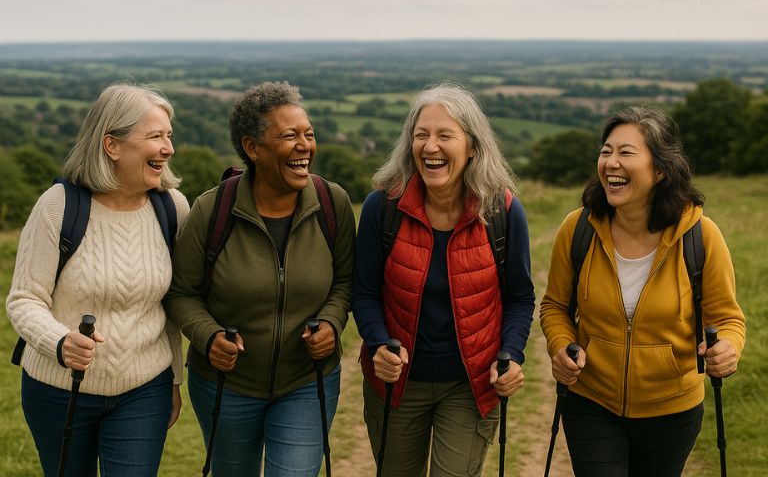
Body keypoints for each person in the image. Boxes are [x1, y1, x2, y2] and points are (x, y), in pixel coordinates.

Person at [539, 106, 747, 476]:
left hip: (673, 409)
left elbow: (728, 318)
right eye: (606, 151)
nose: (611, 163)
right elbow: (554, 305)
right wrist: (560, 346)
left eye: (626, 153)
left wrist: (728, 348)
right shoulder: (578, 228)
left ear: (661, 169)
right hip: (591, 402)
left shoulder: (700, 236)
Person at [163, 81, 355, 476]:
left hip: (307, 381)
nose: (305, 145)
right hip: (225, 386)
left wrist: (333, 325)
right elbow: (182, 293)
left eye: (309, 134)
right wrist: (209, 336)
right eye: (289, 136)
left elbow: (346, 281)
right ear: (252, 148)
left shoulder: (331, 203)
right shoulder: (212, 209)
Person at [6, 83, 190, 476]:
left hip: (145, 390)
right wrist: (59, 342)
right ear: (112, 145)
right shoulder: (59, 206)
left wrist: (174, 378)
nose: (168, 148)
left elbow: (173, 303)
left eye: (168, 136)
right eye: (155, 136)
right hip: (59, 390)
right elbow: (23, 299)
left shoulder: (173, 208)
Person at [352, 83, 535, 476]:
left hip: (469, 386)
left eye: (444, 135)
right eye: (421, 135)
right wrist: (378, 342)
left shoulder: (501, 211)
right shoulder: (382, 208)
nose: (430, 146)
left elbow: (520, 298)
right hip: (397, 385)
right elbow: (364, 292)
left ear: (472, 146)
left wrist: (511, 354)